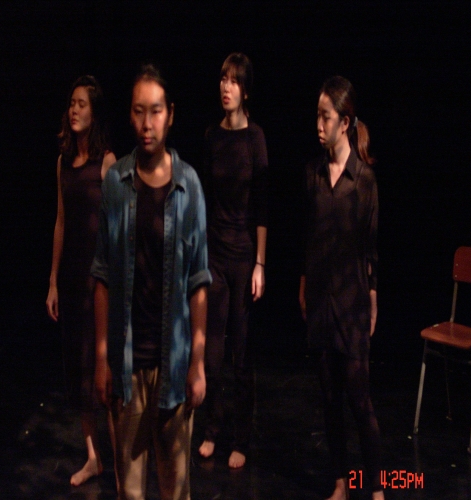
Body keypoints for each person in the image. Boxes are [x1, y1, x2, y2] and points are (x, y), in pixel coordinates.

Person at [91, 64, 211, 500]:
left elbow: (199, 279)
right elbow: (103, 274)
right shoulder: (115, 183)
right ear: (130, 115)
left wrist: (197, 362)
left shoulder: (189, 185)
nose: (147, 123)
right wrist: (102, 358)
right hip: (126, 366)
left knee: (176, 491)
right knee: (130, 492)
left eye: (156, 111)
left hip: (173, 366)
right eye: (139, 111)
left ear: (170, 114)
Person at [299, 76, 383, 500]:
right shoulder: (312, 174)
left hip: (351, 305)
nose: (319, 124)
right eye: (317, 115)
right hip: (319, 299)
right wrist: (303, 283)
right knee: (329, 399)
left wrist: (372, 298)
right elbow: (309, 236)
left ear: (344, 122)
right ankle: (340, 482)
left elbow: (370, 247)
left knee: (359, 401)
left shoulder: (363, 180)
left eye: (326, 117)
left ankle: (378, 487)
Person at [198, 53, 268, 469]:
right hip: (215, 253)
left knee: (241, 355)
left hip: (244, 256)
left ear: (245, 90)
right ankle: (212, 429)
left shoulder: (255, 138)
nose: (226, 87)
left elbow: (262, 206)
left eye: (234, 81)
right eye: (223, 78)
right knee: (212, 354)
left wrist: (260, 263)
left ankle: (241, 437)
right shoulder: (212, 136)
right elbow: (204, 199)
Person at [46, 75, 116, 486]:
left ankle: (122, 463)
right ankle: (93, 456)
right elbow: (61, 221)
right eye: (71, 103)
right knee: (78, 369)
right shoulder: (63, 163)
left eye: (81, 104)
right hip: (71, 280)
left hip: (98, 282)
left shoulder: (107, 163)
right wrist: (53, 281)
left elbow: (118, 228)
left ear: (94, 112)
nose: (74, 110)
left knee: (101, 373)